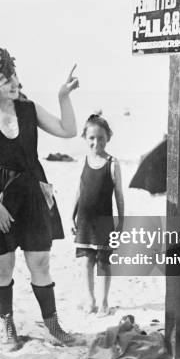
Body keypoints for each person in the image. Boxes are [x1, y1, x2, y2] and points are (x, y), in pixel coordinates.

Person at [0, 48, 82, 351]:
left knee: (40, 260)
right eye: (7, 78)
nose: (15, 82)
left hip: (32, 191)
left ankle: (53, 326)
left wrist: (63, 96)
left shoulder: (28, 108)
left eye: (15, 75)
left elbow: (68, 131)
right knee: (3, 266)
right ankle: (8, 327)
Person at [72, 114, 124, 316]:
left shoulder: (112, 163)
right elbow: (79, 191)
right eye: (92, 138)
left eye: (101, 138)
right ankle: (90, 299)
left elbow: (119, 194)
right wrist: (71, 216)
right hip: (84, 220)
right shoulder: (83, 161)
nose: (96, 142)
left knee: (103, 262)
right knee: (86, 261)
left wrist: (121, 220)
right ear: (85, 137)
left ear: (108, 138)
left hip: (104, 221)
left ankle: (103, 302)